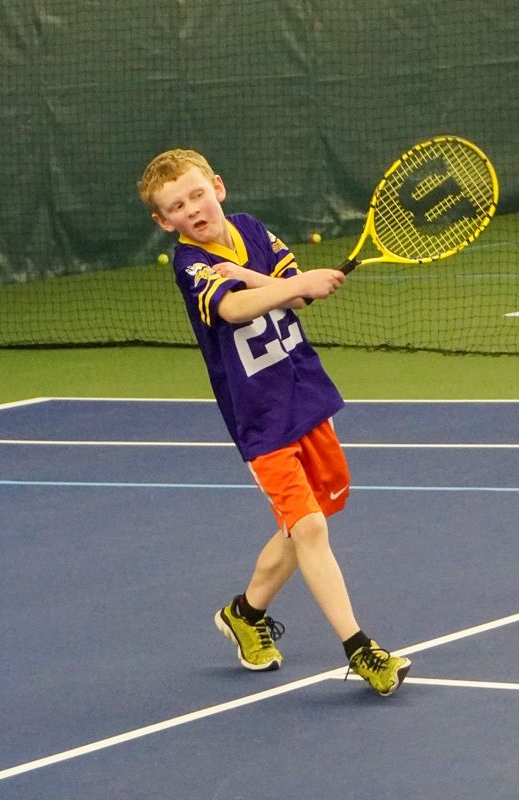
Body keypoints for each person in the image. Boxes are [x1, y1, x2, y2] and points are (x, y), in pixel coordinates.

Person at [138, 148, 411, 695]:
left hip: (304, 394)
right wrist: (294, 283)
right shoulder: (188, 264)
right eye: (176, 206)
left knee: (310, 518)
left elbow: (295, 295)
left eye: (196, 194)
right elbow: (238, 308)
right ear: (163, 221)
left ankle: (245, 613)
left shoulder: (251, 231)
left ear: (218, 186)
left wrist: (258, 275)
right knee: (310, 528)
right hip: (260, 417)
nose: (192, 209)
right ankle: (360, 649)